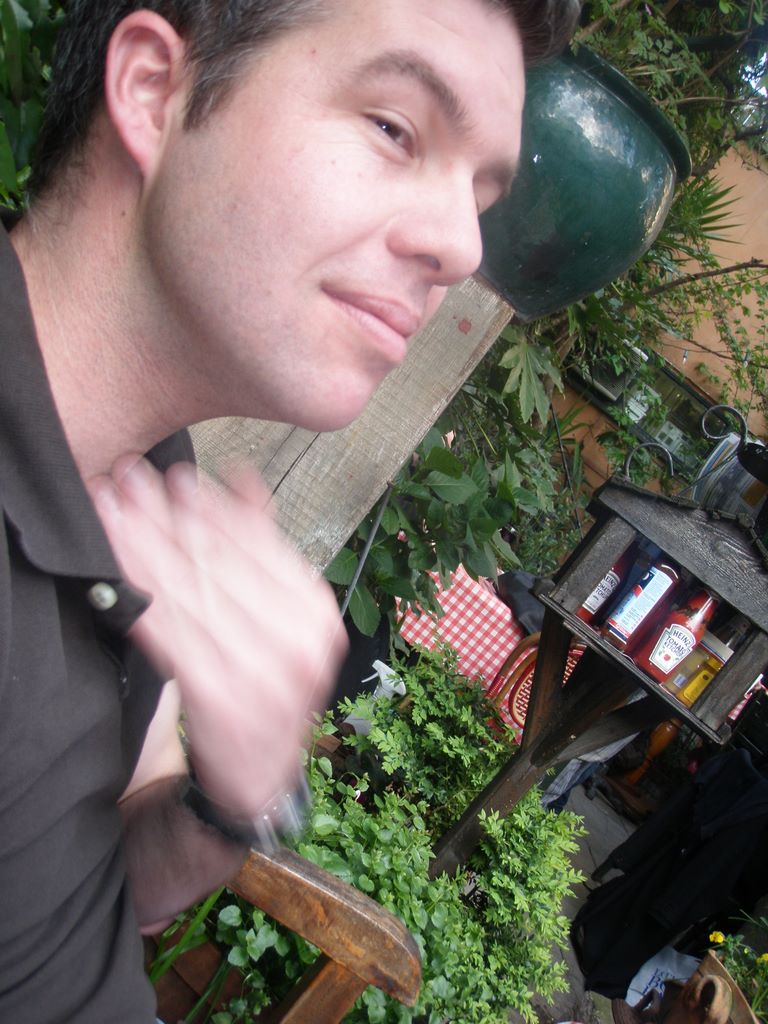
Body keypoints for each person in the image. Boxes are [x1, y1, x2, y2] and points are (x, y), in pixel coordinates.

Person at [0, 0, 581, 1019]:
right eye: (395, 127)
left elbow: (87, 883)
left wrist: (231, 796)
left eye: (478, 194)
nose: (461, 246)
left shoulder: (147, 480)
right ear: (153, 91)